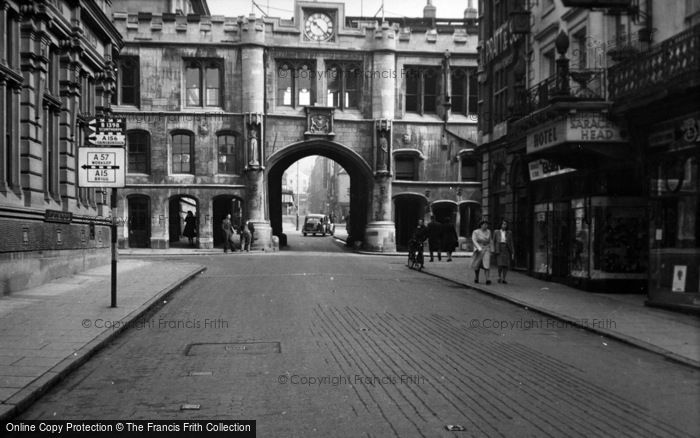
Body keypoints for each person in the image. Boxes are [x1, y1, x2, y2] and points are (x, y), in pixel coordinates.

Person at [471, 220, 493, 284]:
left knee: (487, 263)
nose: (486, 226)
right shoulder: (476, 232)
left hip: (486, 249)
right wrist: (478, 248)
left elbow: (490, 240)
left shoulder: (489, 231)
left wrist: (491, 249)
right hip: (479, 249)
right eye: (484, 224)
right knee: (477, 263)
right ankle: (476, 277)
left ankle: (487, 279)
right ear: (481, 225)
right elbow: (474, 240)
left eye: (487, 224)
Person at [493, 219, 514, 283]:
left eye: (505, 224)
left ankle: (504, 278)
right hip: (499, 248)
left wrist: (512, 251)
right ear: (500, 224)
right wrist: (493, 249)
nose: (504, 225)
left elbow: (511, 242)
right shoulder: (496, 232)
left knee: (505, 264)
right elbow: (494, 241)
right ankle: (499, 276)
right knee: (500, 264)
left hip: (506, 248)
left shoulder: (509, 232)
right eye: (503, 224)